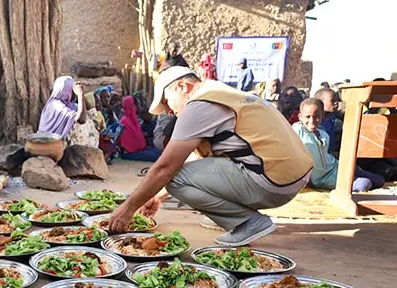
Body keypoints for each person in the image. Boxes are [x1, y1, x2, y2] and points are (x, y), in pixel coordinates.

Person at [108, 66, 314, 246]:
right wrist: (157, 197)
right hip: (292, 177)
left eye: (166, 101)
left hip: (272, 181)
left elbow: (166, 168)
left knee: (173, 178)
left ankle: (246, 222)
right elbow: (197, 160)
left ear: (182, 87)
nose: (169, 111)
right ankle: (232, 215)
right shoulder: (220, 92)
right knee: (178, 175)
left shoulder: (199, 104)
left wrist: (128, 208)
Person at [292, 98, 384, 192]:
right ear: (300, 117)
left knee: (379, 180)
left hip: (335, 166)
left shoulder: (321, 131)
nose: (312, 120)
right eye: (308, 117)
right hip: (322, 178)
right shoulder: (299, 130)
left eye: (316, 116)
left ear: (322, 115)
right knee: (364, 184)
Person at [117, 96, 161, 162]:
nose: (138, 106)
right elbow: (127, 144)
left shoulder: (133, 119)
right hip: (130, 152)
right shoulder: (124, 121)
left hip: (140, 149)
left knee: (159, 153)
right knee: (157, 156)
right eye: (136, 104)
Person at [314, 88, 343, 153]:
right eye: (332, 101)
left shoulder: (334, 119)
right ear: (320, 102)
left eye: (337, 100)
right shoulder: (314, 121)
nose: (336, 103)